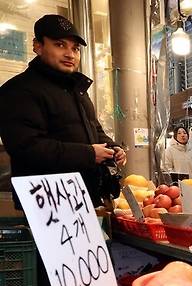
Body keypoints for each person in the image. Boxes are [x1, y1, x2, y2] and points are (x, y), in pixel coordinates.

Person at [0, 14, 127, 208]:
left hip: (84, 198)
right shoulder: (18, 90)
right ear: (38, 46)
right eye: (60, 45)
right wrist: (89, 154)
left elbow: (95, 129)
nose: (70, 54)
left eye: (75, 48)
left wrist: (112, 148)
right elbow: (27, 147)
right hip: (46, 205)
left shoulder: (76, 90)